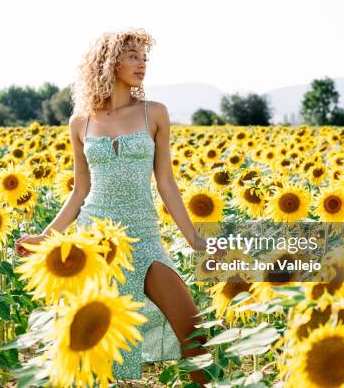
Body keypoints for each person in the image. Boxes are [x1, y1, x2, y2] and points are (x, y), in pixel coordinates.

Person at [15, 27, 227, 386]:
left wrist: (194, 237)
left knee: (193, 333)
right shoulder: (80, 121)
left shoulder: (154, 113)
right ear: (108, 61)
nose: (141, 63)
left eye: (144, 57)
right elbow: (80, 191)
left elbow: (166, 183)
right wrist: (47, 236)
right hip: (95, 242)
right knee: (99, 345)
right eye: (132, 55)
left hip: (143, 235)